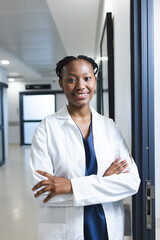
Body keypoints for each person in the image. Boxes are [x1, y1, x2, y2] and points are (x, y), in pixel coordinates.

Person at [30, 55, 140, 240]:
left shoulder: (110, 127)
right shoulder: (46, 129)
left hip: (107, 227)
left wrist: (71, 185)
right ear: (61, 83)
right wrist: (104, 182)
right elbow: (42, 192)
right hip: (67, 231)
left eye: (87, 78)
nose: (81, 86)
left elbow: (131, 182)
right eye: (71, 79)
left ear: (95, 81)